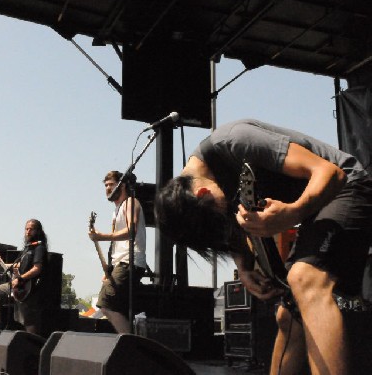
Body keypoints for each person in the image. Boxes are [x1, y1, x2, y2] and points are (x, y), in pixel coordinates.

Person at [154, 119, 372, 375]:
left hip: (348, 185)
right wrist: (244, 270)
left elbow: (330, 173)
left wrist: (292, 213)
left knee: (305, 278)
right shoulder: (208, 190)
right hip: (315, 209)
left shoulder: (236, 141)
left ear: (203, 194)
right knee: (287, 315)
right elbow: (234, 234)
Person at [88, 170, 147, 333]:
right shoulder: (117, 210)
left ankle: (129, 342)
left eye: (111, 185)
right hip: (120, 263)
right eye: (105, 185)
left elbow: (131, 231)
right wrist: (111, 269)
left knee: (106, 304)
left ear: (122, 185)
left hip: (130, 262)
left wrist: (101, 236)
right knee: (115, 308)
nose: (107, 188)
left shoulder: (130, 203)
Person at [0, 219, 48, 335]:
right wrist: (2, 263)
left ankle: (34, 345)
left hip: (30, 288)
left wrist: (20, 279)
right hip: (18, 285)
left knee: (29, 322)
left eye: (31, 229)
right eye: (26, 229)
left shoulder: (39, 248)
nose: (28, 232)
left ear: (38, 231)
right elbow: (18, 265)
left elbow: (37, 268)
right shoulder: (28, 248)